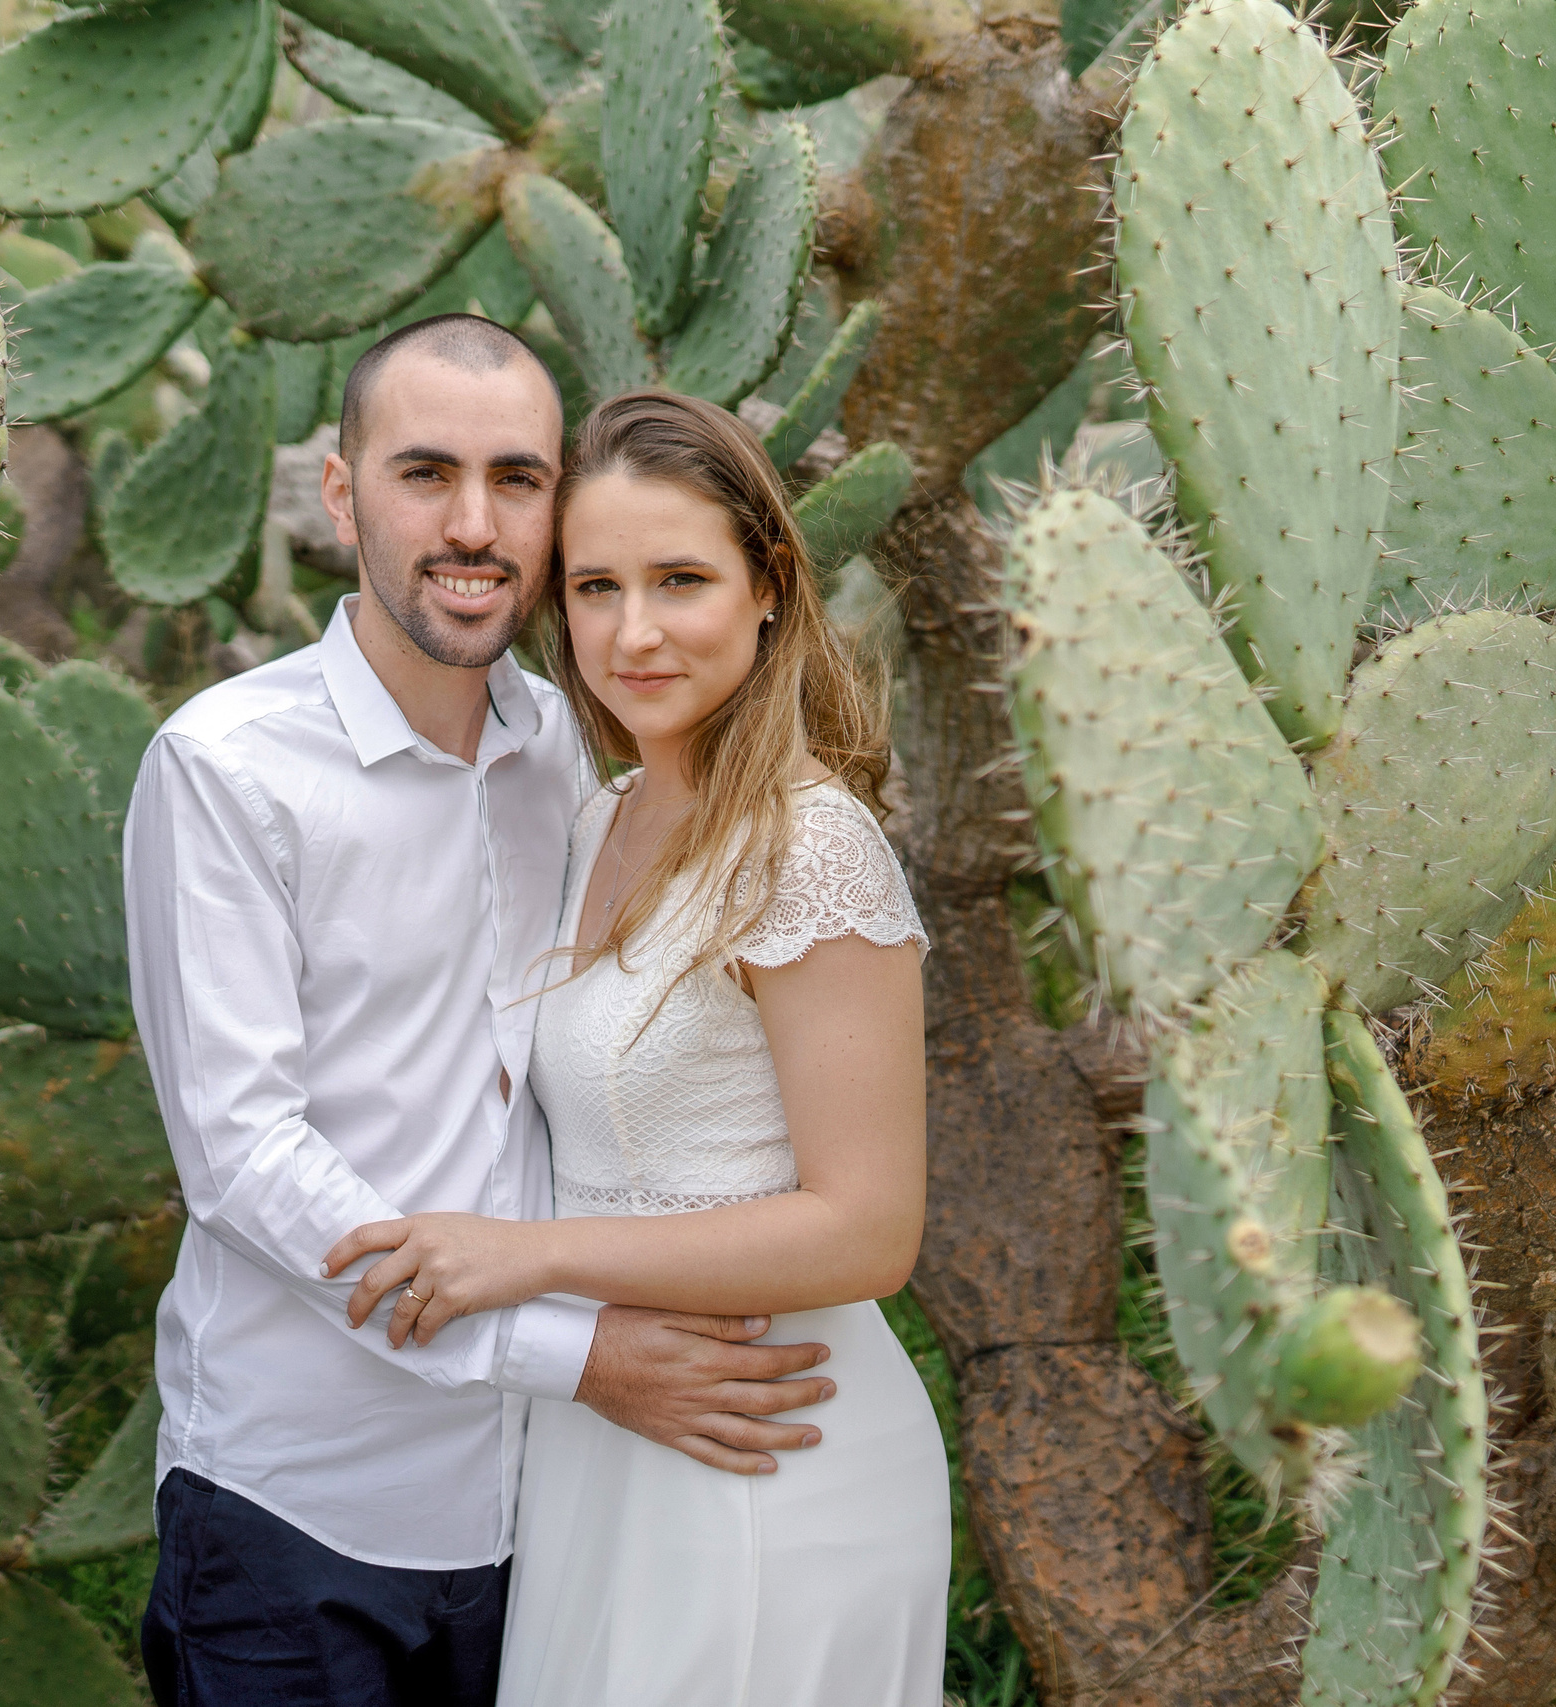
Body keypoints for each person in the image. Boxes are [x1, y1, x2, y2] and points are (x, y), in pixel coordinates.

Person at [122, 317, 840, 1707]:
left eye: (516, 479)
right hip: (302, 1513)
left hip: (554, 1510)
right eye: (423, 473)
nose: (473, 523)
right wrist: (581, 1356)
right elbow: (245, 1162)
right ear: (342, 494)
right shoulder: (225, 768)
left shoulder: (573, 754)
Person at [323, 389, 949, 1705]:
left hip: (772, 1442)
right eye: (597, 588)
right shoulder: (600, 813)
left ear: (771, 584)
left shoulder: (806, 845)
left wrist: (528, 1258)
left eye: (681, 579)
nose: (635, 631)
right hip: (608, 1433)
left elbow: (867, 1228)